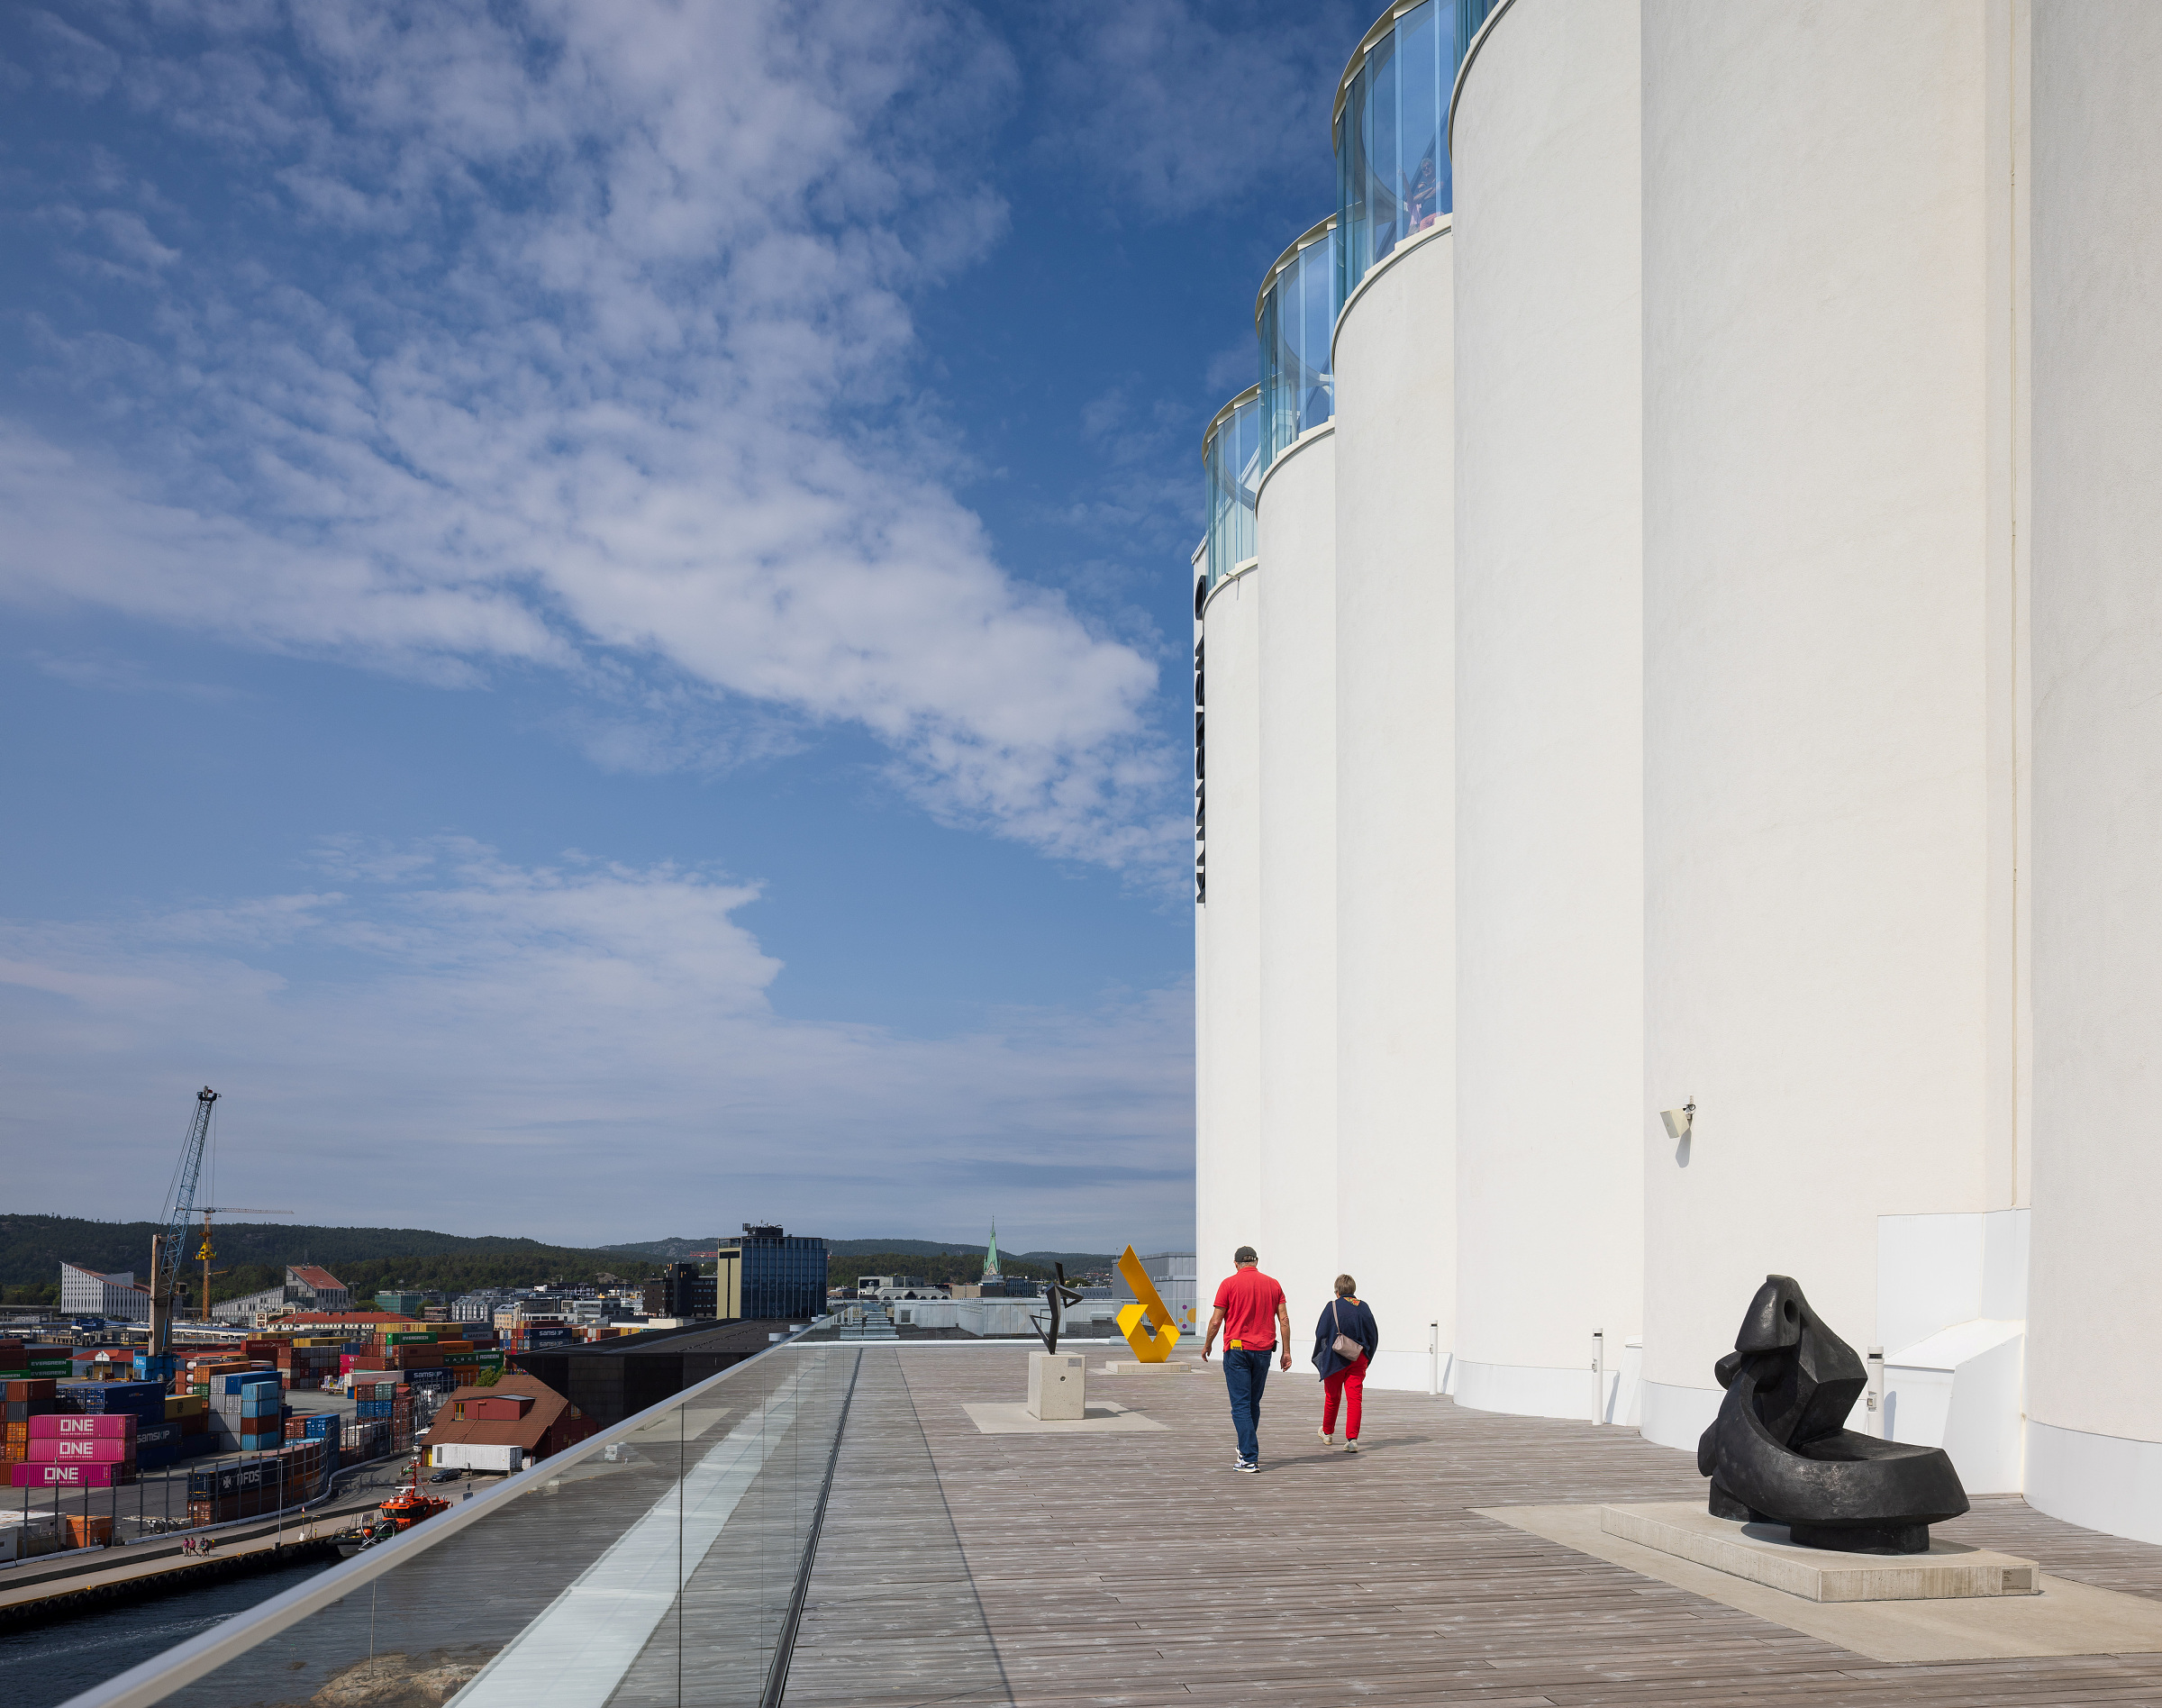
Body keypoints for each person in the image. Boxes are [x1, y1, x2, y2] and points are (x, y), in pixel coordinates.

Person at [1202, 1245, 1291, 1473]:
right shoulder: (1273, 1284)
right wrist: (1286, 1352)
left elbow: (1216, 1321)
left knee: (1240, 1404)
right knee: (1253, 1403)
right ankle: (1244, 1447)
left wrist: (1208, 1344)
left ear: (1236, 1264)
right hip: (1263, 1351)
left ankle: (1249, 1458)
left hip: (1237, 1350)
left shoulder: (1228, 1284)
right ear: (1256, 1262)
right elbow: (1284, 1320)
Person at [1313, 1275, 1380, 1453]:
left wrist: (1325, 1354)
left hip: (1336, 1358)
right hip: (1358, 1358)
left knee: (1332, 1396)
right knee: (1354, 1399)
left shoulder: (1332, 1306)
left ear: (1337, 1292)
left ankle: (1327, 1432)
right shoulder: (1363, 1307)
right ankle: (1352, 1439)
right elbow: (1373, 1334)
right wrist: (1367, 1355)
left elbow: (1320, 1333)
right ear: (1353, 1290)